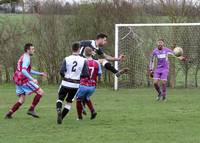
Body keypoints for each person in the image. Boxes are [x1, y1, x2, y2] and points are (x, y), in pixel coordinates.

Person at [5, 43, 47, 119]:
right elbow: (24, 71)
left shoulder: (24, 56)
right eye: (32, 49)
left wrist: (39, 73)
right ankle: (31, 109)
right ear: (28, 50)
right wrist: (32, 79)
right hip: (23, 80)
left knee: (22, 99)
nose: (34, 50)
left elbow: (28, 70)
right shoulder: (27, 58)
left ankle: (9, 113)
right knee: (40, 92)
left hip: (18, 79)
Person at [56, 42, 89, 124]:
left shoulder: (67, 58)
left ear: (72, 49)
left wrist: (65, 77)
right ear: (79, 49)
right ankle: (61, 118)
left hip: (65, 82)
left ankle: (59, 109)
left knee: (60, 98)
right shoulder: (83, 60)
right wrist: (78, 76)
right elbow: (86, 74)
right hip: (75, 84)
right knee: (69, 102)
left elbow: (61, 72)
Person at [76, 47, 102, 120]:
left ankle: (79, 117)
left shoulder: (82, 62)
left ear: (84, 53)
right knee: (87, 98)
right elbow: (99, 74)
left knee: (78, 99)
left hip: (83, 85)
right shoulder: (97, 63)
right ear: (92, 53)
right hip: (92, 86)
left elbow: (77, 73)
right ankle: (92, 111)